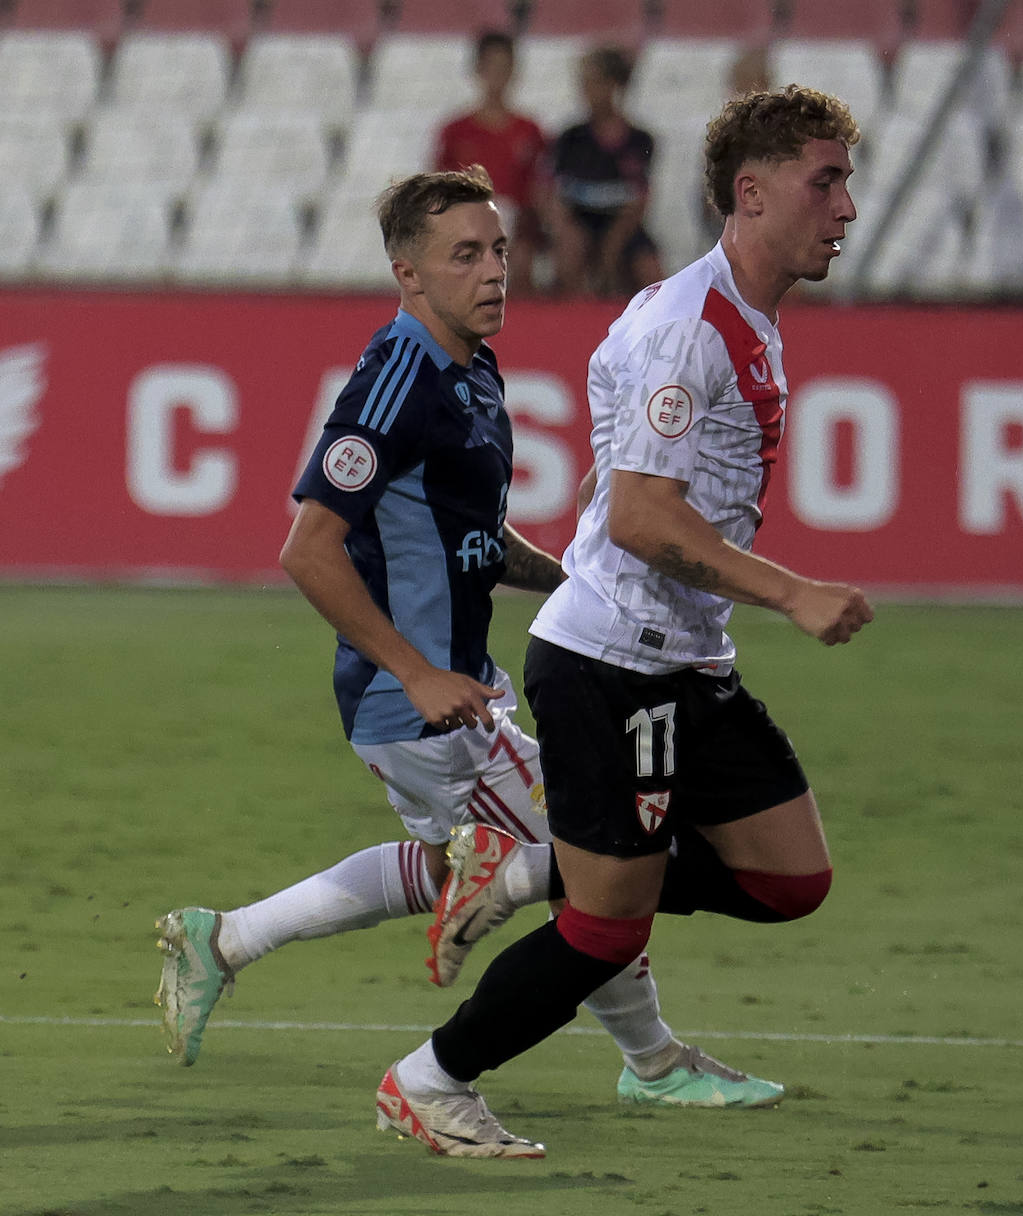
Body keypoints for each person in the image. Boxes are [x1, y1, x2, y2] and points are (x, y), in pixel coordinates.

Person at [153, 169, 782, 1149]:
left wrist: (573, 574)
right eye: (465, 255)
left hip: (459, 686)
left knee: (504, 863)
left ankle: (226, 938)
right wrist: (414, 671)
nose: (496, 270)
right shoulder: (397, 378)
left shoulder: (473, 368)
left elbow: (477, 539)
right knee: (594, 863)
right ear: (408, 274)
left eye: (497, 249)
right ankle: (635, 1066)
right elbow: (307, 549)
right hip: (417, 701)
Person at [378, 85, 872, 1159]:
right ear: (752, 192)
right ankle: (431, 1080)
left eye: (845, 183)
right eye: (823, 182)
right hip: (613, 665)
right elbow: (646, 518)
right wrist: (794, 592)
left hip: (686, 658)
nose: (844, 207)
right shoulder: (688, 328)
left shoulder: (744, 319)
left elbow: (636, 495)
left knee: (791, 877)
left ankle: (522, 868)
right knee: (609, 925)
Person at [432, 31, 547, 297]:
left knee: (522, 257)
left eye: (504, 67)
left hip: (518, 229)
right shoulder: (455, 131)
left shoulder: (530, 131)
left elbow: (540, 190)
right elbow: (439, 192)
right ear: (478, 69)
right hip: (467, 225)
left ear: (513, 71)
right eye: (491, 67)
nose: (497, 75)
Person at [547, 45, 664, 298]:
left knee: (650, 270)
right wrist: (564, 230)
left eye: (594, 83)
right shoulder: (570, 137)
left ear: (614, 85)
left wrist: (615, 240)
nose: (587, 91)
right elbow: (554, 196)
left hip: (622, 223)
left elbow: (640, 199)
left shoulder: (640, 140)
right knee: (569, 253)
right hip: (580, 220)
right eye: (584, 84)